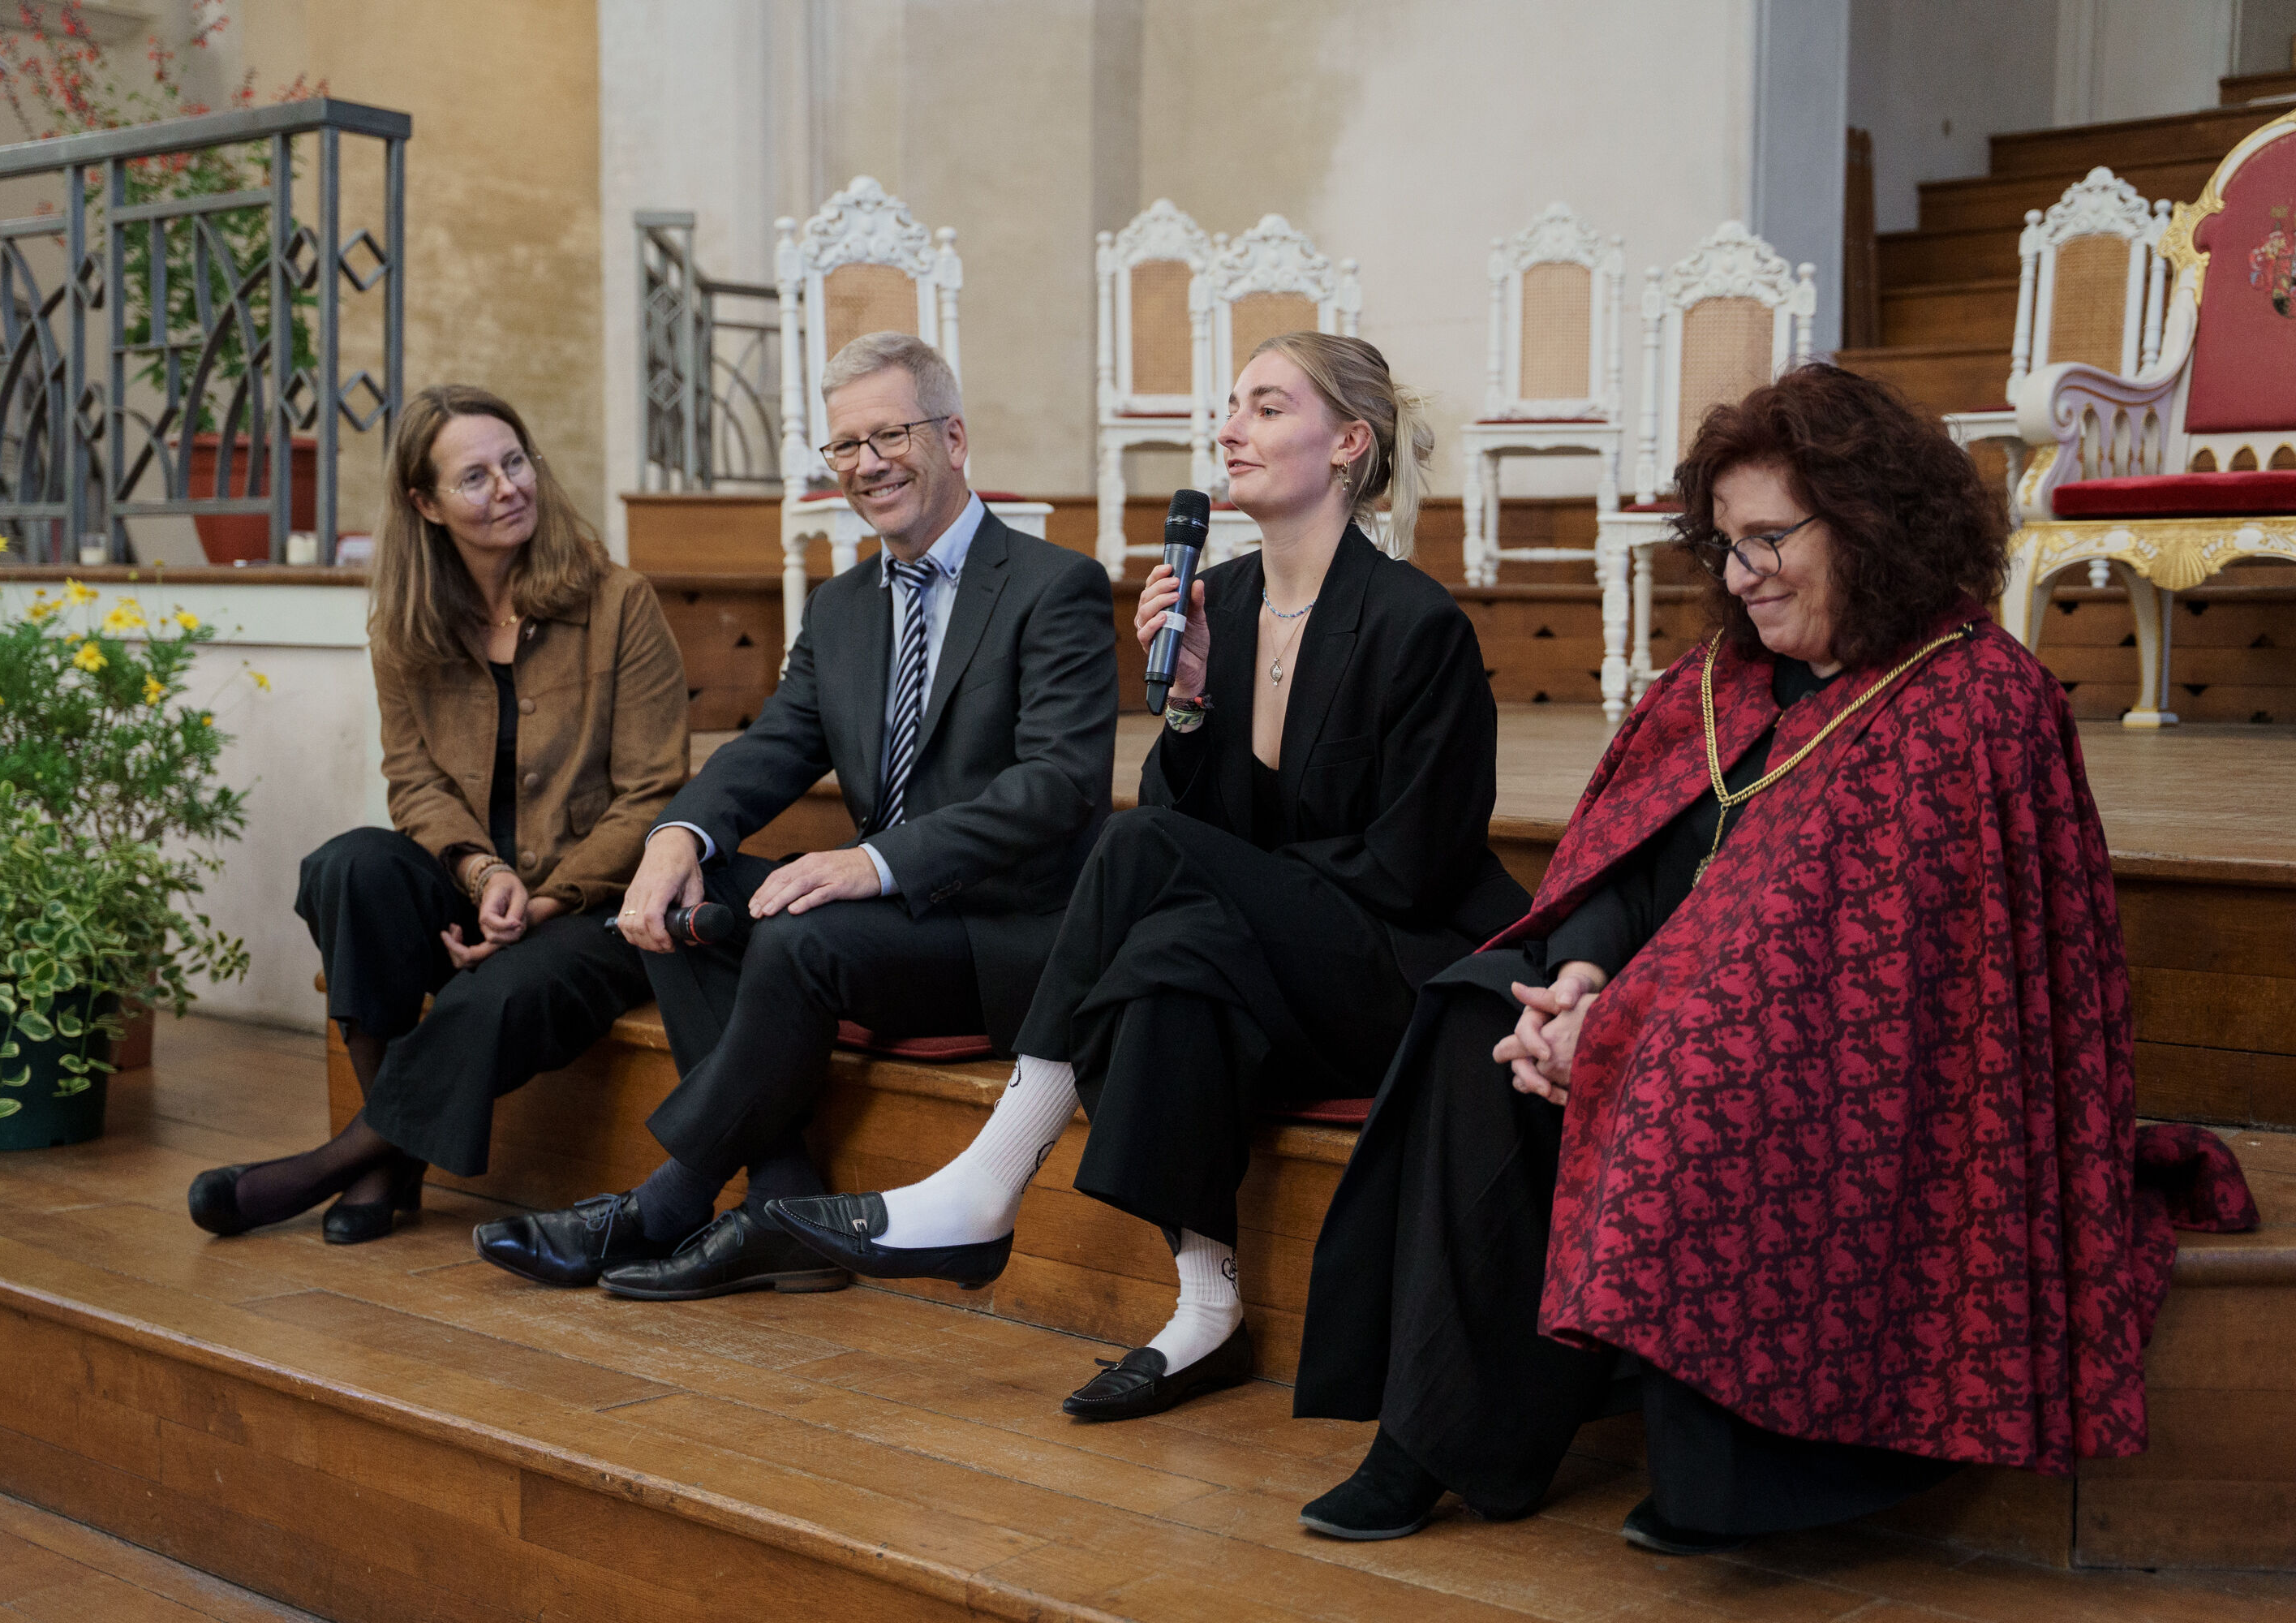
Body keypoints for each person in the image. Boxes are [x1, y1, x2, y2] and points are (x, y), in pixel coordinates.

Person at [1292, 362, 2224, 1553]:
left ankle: (1745, 1471)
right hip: (1654, 1006)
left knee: (1695, 1072)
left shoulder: (1974, 700)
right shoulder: (1720, 682)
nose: (1744, 575)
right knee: (1478, 1013)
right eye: (1727, 544)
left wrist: (1623, 1028)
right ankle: (1440, 1437)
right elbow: (1624, 865)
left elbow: (1860, 969)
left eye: (1772, 538)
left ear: (1873, 524)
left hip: (1859, 1066)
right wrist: (1577, 978)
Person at [768, 333, 1531, 1419]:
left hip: (1393, 960)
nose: (1231, 428)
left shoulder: (1417, 625)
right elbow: (1187, 827)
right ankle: (1206, 1311)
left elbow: (1413, 866)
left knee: (1141, 864)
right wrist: (1186, 704)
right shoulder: (1215, 601)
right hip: (1273, 948)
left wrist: (1241, 886)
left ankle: (994, 1174)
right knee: (1173, 960)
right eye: (1231, 406)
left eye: (1267, 407)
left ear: (1349, 443)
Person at [470, 330, 1121, 1302]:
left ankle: (668, 1201)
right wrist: (673, 840)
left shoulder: (1052, 586)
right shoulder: (842, 605)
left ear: (952, 436)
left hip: (1009, 934)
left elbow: (1058, 785)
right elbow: (773, 747)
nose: (866, 465)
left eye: (888, 436)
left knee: (798, 941)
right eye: (845, 447)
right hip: (891, 923)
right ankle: (782, 1200)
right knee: (690, 905)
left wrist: (878, 862)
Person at [188, 385, 690, 1244]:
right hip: (476, 883)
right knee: (349, 867)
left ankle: (349, 1160)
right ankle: (385, 1159)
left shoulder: (618, 602)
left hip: (599, 903)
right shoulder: (407, 626)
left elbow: (654, 791)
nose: (507, 487)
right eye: (475, 477)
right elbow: (414, 781)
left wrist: (539, 898)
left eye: (515, 462)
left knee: (504, 989)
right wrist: (482, 871)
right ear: (424, 504)